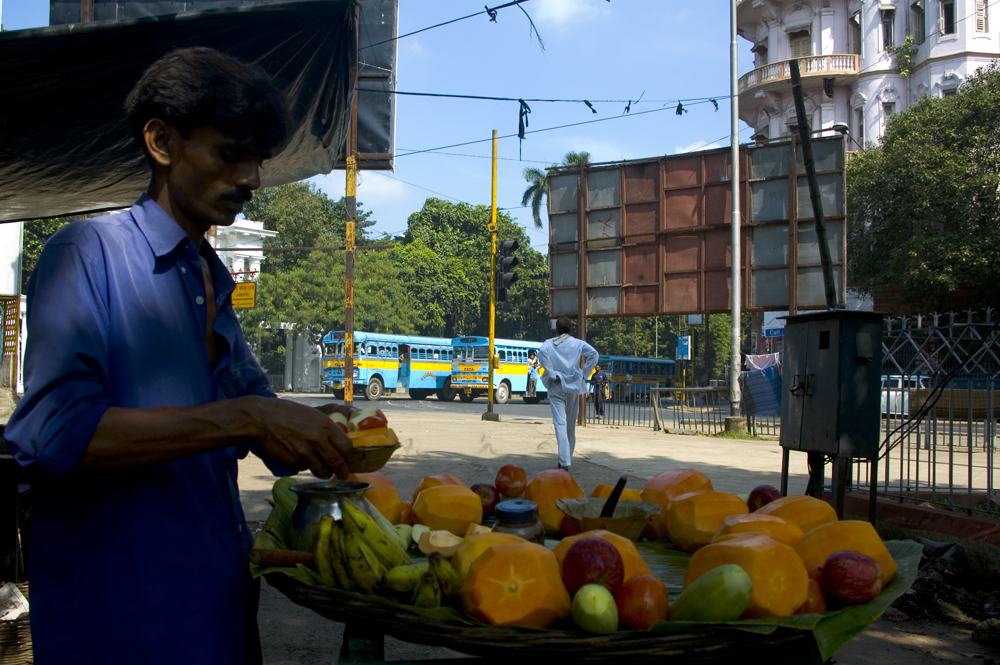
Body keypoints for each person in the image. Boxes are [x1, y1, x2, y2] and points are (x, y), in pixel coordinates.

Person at [3, 47, 355, 665]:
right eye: (229, 155)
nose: (250, 179)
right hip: (121, 623)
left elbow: (259, 418)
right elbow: (51, 433)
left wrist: (319, 427)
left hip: (219, 611)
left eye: (258, 161)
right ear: (162, 142)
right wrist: (248, 418)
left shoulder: (212, 280)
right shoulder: (86, 253)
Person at [538, 317, 598, 470]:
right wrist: (584, 374)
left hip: (557, 385)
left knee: (560, 424)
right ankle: (567, 458)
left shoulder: (549, 343)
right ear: (571, 330)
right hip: (573, 386)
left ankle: (564, 462)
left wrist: (552, 374)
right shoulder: (578, 343)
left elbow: (542, 354)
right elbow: (594, 354)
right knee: (570, 425)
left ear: (557, 329)